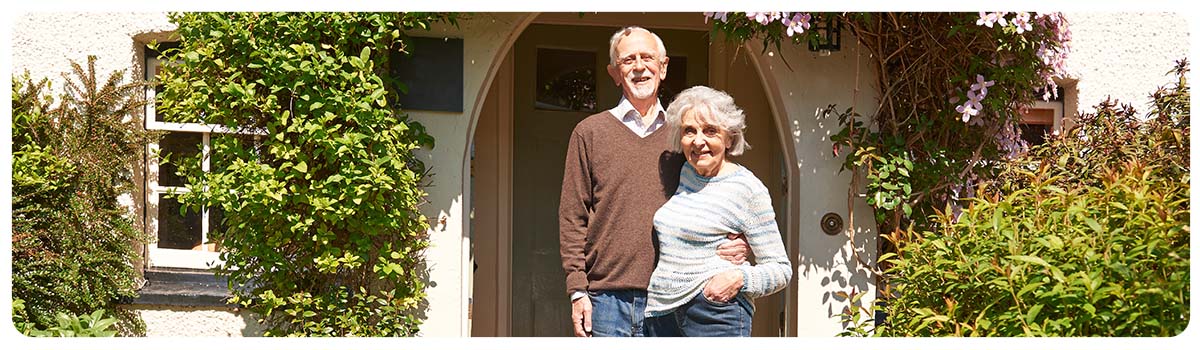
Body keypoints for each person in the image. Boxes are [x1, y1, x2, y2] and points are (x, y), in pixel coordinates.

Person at [558, 26, 749, 337]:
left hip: (677, 298)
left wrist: (739, 238)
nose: (639, 66)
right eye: (627, 60)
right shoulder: (589, 133)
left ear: (663, 67)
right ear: (614, 73)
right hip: (606, 300)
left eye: (647, 57)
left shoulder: (686, 135)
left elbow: (724, 193)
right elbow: (572, 217)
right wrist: (577, 289)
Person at [643, 86, 792, 337]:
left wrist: (738, 278)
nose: (698, 141)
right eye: (689, 131)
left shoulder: (747, 189)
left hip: (713, 313)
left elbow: (780, 270)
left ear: (729, 138)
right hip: (662, 314)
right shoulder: (685, 173)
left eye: (710, 131)